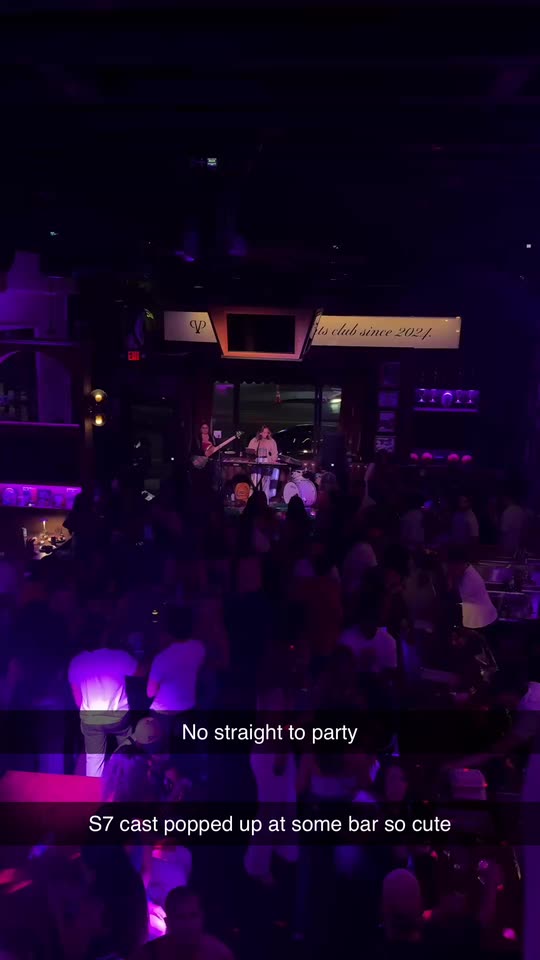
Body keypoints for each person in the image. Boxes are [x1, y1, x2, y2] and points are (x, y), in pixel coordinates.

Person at [68, 617, 137, 777]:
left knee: (94, 760)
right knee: (126, 747)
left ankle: (94, 786)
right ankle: (125, 776)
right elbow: (140, 671)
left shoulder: (77, 661)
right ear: (105, 635)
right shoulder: (119, 656)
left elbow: (78, 699)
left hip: (91, 719)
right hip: (119, 717)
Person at [135, 887, 234, 960]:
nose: (188, 924)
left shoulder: (219, 954)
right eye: (180, 917)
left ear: (202, 918)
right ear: (168, 922)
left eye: (193, 916)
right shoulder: (148, 954)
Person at [147, 606, 205, 716]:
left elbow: (150, 692)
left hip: (163, 711)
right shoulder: (199, 648)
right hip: (188, 707)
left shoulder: (162, 657)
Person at [339, 596, 397, 675]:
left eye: (372, 617)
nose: (369, 622)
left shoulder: (388, 641)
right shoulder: (346, 638)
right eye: (367, 616)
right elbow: (340, 674)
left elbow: (391, 675)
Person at [446, 546, 497, 631]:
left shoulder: (468, 581)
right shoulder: (466, 569)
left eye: (451, 566)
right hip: (480, 617)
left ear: (459, 564)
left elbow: (453, 600)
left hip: (482, 621)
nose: (450, 568)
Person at [248, 425, 279, 500]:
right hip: (256, 464)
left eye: (267, 432)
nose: (266, 434)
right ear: (260, 433)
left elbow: (275, 453)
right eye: (264, 432)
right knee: (255, 484)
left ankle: (265, 501)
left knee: (266, 484)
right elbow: (249, 452)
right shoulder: (254, 440)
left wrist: (272, 460)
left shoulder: (271, 441)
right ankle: (252, 501)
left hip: (267, 465)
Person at [499, 491, 526, 555]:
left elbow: (504, 530)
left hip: (508, 543)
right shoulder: (521, 510)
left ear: (507, 499)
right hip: (519, 543)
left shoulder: (507, 512)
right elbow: (524, 528)